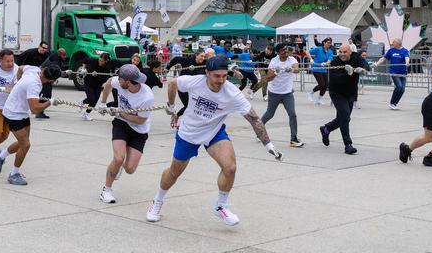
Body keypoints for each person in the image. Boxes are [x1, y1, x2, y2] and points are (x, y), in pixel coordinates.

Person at [147, 56, 282, 226]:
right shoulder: (195, 81)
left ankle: (221, 205)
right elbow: (173, 83)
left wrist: (268, 144)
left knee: (230, 167)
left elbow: (254, 119)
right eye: (217, 76)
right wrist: (171, 106)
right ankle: (157, 201)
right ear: (207, 73)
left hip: (214, 132)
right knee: (174, 172)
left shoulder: (232, 92)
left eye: (224, 76)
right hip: (189, 132)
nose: (221, 80)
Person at [0, 63, 63, 185]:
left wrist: (18, 84)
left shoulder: (34, 69)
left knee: (23, 142)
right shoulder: (34, 85)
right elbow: (35, 109)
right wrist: (50, 102)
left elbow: (20, 68)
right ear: (51, 80)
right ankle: (13, 174)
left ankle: (1, 154)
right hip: (13, 113)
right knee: (26, 145)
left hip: (22, 111)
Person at [98, 64, 155, 204]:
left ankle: (119, 168)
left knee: (130, 169)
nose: (118, 79)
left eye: (120, 78)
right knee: (118, 158)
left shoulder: (146, 97)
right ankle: (106, 190)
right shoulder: (119, 82)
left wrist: (120, 112)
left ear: (128, 81)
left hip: (139, 130)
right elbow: (108, 83)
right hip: (121, 124)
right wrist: (103, 103)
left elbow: (140, 120)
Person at [318, 42, 370, 154]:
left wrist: (363, 69)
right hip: (337, 92)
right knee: (345, 116)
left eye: (345, 52)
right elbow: (336, 80)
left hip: (351, 93)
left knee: (343, 118)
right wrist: (349, 73)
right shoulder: (335, 62)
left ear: (350, 52)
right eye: (340, 52)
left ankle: (326, 129)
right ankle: (348, 144)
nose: (342, 54)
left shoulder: (356, 57)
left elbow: (366, 65)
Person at [261, 44, 304, 147]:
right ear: (278, 52)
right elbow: (268, 78)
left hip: (287, 93)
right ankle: (259, 131)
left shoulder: (291, 59)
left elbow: (297, 69)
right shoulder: (274, 61)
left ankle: (293, 139)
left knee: (292, 114)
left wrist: (291, 69)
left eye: (285, 49)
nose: (285, 52)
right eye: (282, 50)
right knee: (270, 114)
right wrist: (276, 72)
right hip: (274, 92)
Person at [375, 38, 410, 110]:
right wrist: (376, 64)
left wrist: (407, 63)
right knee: (399, 86)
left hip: (403, 73)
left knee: (402, 89)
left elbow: (407, 57)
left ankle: (395, 103)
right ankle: (392, 103)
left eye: (393, 42)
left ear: (398, 43)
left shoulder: (405, 51)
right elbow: (383, 58)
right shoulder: (391, 51)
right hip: (394, 72)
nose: (392, 44)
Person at [79, 53, 113, 121]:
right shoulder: (94, 60)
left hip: (98, 85)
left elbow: (105, 79)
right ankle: (82, 102)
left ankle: (86, 114)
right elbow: (84, 60)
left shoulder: (108, 67)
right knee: (91, 98)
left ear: (106, 61)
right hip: (88, 82)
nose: (100, 62)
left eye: (102, 61)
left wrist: (97, 75)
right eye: (99, 60)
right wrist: (83, 69)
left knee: (94, 101)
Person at [308, 37, 334, 105]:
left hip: (324, 69)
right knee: (322, 84)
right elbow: (307, 52)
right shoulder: (318, 49)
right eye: (328, 43)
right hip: (316, 68)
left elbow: (330, 59)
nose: (329, 44)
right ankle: (310, 93)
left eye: (330, 43)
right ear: (324, 43)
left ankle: (319, 99)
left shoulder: (330, 51)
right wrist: (311, 59)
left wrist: (326, 63)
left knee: (326, 85)